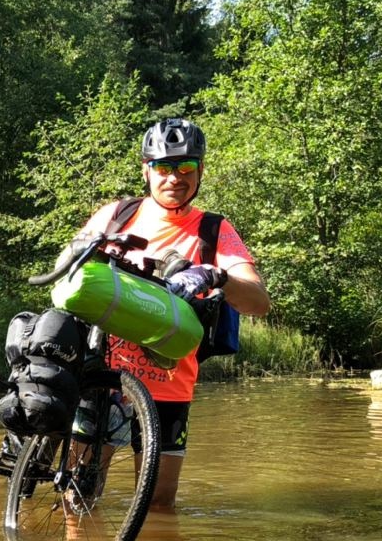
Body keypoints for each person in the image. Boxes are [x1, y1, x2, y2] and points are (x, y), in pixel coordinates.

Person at [72, 117, 270, 509]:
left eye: (186, 167)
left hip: (169, 384)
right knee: (78, 496)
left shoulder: (213, 231)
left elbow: (259, 303)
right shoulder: (116, 215)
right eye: (163, 167)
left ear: (200, 172)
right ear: (146, 171)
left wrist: (216, 275)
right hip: (102, 375)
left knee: (158, 507)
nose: (174, 177)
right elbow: (70, 273)